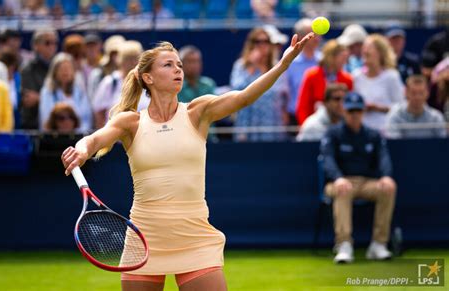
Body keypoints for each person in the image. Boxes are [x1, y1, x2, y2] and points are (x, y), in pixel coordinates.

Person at [62, 32, 314, 290]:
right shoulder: (130, 122)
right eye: (168, 65)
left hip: (195, 237)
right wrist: (81, 151)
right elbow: (93, 140)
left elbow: (245, 97)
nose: (178, 70)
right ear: (148, 78)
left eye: (179, 65)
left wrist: (283, 64)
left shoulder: (197, 111)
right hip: (145, 238)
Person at [321, 92, 396, 264]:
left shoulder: (373, 135)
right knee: (343, 189)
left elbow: (383, 157)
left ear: (363, 112)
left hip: (367, 183)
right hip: (338, 183)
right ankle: (344, 244)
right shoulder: (332, 134)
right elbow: (327, 159)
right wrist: (338, 178)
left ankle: (378, 244)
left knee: (388, 188)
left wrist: (386, 176)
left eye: (358, 111)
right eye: (350, 111)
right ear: (344, 112)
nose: (354, 115)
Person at [230, 27, 290, 142]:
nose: (262, 45)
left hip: (272, 122)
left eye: (266, 41)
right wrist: (252, 66)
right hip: (247, 121)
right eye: (257, 41)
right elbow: (237, 89)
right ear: (250, 44)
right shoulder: (241, 66)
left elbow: (281, 92)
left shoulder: (277, 66)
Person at [353, 34, 405, 131]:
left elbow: (401, 108)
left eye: (369, 48)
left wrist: (377, 108)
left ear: (380, 53)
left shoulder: (392, 76)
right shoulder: (356, 76)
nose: (365, 51)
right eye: (364, 48)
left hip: (386, 132)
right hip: (361, 132)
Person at [93, 40, 148, 129]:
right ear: (120, 60)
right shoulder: (110, 82)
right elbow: (99, 113)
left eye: (135, 58)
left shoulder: (148, 82)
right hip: (115, 139)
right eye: (128, 58)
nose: (132, 62)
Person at [296, 39, 352, 125]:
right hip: (314, 128)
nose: (344, 62)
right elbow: (303, 106)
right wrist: (306, 127)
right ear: (331, 57)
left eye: (346, 59)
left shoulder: (347, 79)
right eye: (342, 58)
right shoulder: (311, 76)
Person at [39, 52, 92, 132]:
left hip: (78, 137)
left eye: (68, 68)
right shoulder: (47, 91)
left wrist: (78, 133)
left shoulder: (80, 91)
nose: (65, 72)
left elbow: (86, 118)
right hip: (53, 138)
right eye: (62, 69)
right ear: (55, 72)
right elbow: (46, 119)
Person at [284, 18, 322, 126]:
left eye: (317, 34)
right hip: (294, 118)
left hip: (320, 118)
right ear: (301, 37)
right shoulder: (289, 62)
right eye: (312, 34)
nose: (317, 38)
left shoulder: (323, 60)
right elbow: (285, 93)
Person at [385, 75, 446, 139]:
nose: (417, 97)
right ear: (405, 92)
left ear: (427, 93)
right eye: (413, 93)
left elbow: (442, 143)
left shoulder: (436, 117)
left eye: (421, 93)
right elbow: (394, 143)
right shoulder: (395, 115)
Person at [20, 28, 59, 129]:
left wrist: (42, 98)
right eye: (47, 43)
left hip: (59, 124)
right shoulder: (27, 68)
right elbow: (29, 99)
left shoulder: (59, 66)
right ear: (36, 46)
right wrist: (58, 100)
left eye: (55, 43)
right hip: (35, 126)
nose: (52, 46)